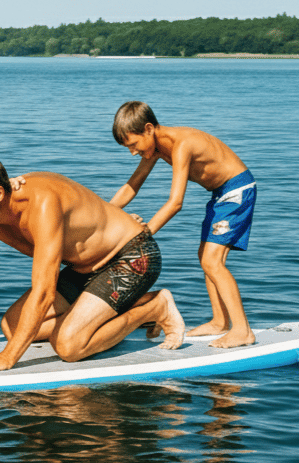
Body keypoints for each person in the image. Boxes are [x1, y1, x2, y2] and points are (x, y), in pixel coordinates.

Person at [0, 154, 184, 373]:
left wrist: (8, 357)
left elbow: (43, 293)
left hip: (131, 257)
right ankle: (100, 317)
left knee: (68, 346)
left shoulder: (42, 204)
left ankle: (155, 308)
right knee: (12, 326)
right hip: (84, 269)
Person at [110, 100, 257, 348]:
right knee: (206, 258)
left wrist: (144, 233)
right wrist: (107, 212)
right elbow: (133, 184)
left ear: (148, 129)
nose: (132, 152)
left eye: (133, 144)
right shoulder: (155, 148)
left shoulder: (182, 145)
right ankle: (220, 321)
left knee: (212, 260)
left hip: (236, 189)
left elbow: (176, 202)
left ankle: (242, 330)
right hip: (220, 194)